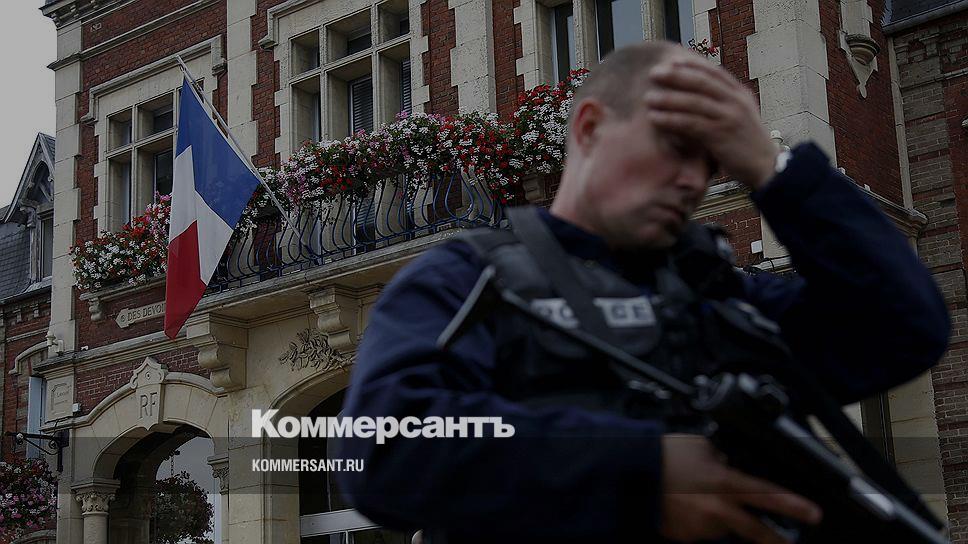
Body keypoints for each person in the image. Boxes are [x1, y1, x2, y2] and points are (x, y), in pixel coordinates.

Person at [334, 41, 950, 543]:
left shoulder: (717, 302)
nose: (693, 181)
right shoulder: (468, 278)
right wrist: (639, 467)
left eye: (712, 164)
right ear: (590, 127)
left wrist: (772, 168)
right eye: (676, 148)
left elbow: (904, 327)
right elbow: (384, 448)